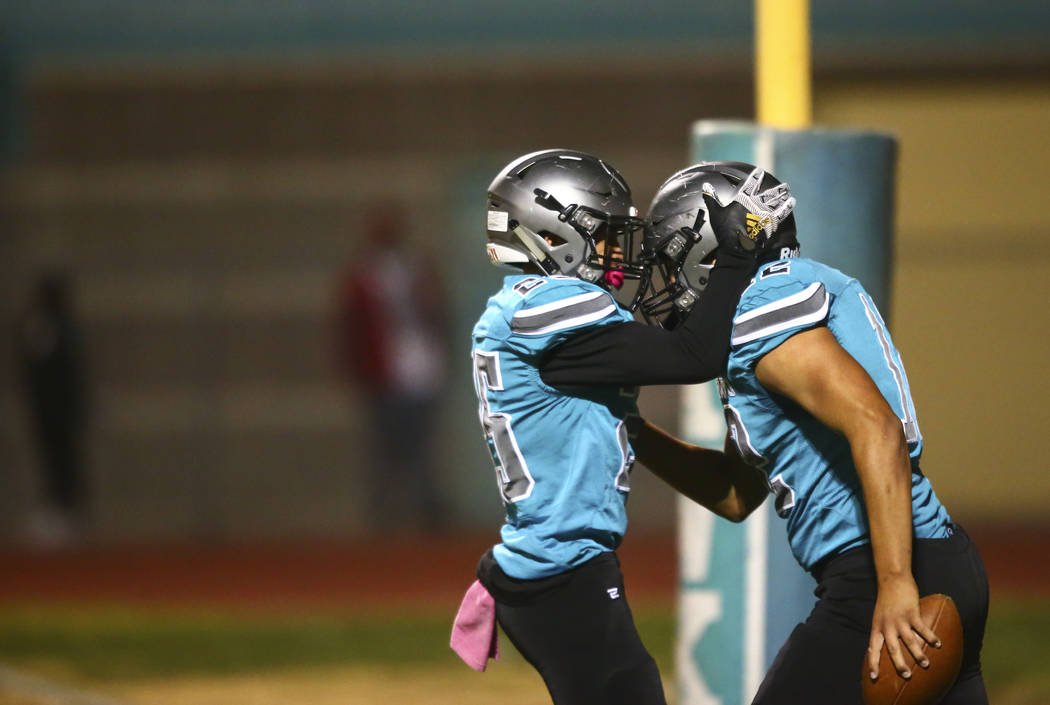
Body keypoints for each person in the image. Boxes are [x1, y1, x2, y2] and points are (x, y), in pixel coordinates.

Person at [635, 161, 989, 705]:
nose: (667, 279)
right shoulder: (788, 293)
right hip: (931, 555)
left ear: (711, 247)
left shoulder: (759, 307)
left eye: (672, 258)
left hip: (883, 570)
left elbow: (877, 427)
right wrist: (631, 431)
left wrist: (894, 581)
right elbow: (735, 492)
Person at [453, 149, 793, 705]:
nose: (621, 254)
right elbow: (693, 356)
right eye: (605, 234)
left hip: (550, 567)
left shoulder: (518, 309)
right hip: (562, 571)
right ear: (554, 233)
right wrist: (737, 253)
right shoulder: (553, 306)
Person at [333, 206, 450, 532]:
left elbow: (439, 313)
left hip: (422, 370)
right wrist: (355, 369)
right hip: (383, 375)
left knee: (422, 448)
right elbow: (351, 326)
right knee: (384, 450)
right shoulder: (363, 274)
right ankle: (384, 519)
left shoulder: (416, 267)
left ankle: (426, 517)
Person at [17, 271, 89, 543]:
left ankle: (68, 512)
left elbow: (71, 373)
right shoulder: (40, 326)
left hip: (61, 410)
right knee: (51, 457)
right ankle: (56, 509)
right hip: (46, 410)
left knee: (64, 459)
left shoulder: (65, 329)